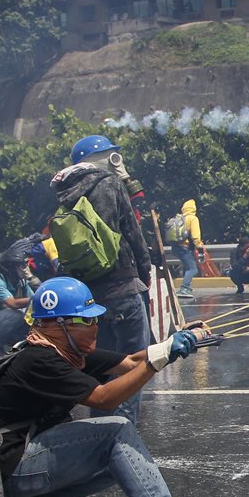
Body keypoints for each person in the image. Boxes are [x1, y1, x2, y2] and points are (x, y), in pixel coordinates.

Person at [0, 277, 225, 497]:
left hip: (17, 466)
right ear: (59, 325)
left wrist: (174, 342)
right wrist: (161, 359)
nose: (96, 326)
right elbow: (105, 398)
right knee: (116, 431)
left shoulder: (66, 351)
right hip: (13, 469)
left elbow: (130, 362)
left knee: (126, 462)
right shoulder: (40, 360)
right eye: (86, 321)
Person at [51, 135, 153, 424]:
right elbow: (132, 233)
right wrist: (143, 273)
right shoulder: (110, 184)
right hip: (122, 288)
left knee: (105, 365)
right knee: (134, 366)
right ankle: (122, 432)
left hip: (90, 297)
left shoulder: (66, 191)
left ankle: (100, 428)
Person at [171, 199, 202, 298]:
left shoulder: (180, 218)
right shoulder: (192, 218)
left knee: (187, 267)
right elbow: (196, 236)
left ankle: (186, 288)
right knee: (193, 269)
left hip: (175, 247)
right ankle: (184, 288)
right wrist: (200, 248)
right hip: (184, 247)